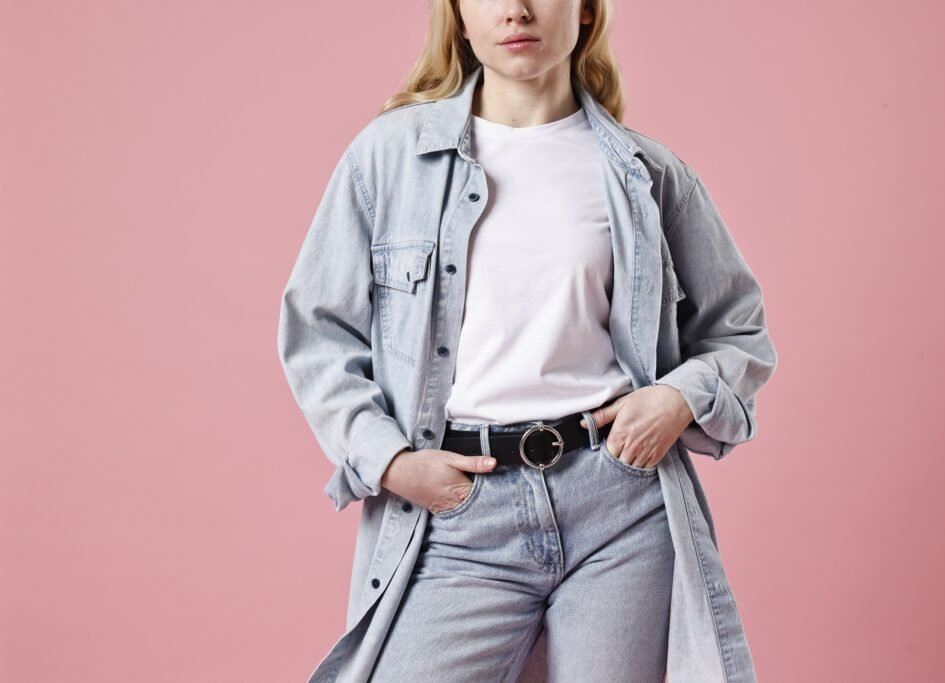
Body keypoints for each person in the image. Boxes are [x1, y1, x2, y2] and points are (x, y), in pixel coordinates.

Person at [277, 1, 778, 681]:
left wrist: (676, 399)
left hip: (620, 505)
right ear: (456, 14)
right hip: (459, 514)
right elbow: (317, 331)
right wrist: (392, 462)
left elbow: (738, 329)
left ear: (586, 9)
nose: (516, 9)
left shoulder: (646, 174)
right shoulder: (388, 159)